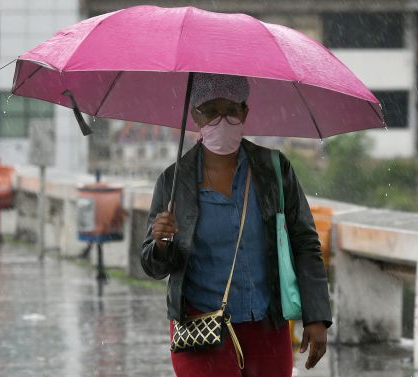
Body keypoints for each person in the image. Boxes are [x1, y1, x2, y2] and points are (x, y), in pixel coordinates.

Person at [141, 74, 331, 377]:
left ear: (245, 112)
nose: (222, 119)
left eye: (231, 110)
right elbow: (154, 266)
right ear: (195, 116)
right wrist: (161, 242)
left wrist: (317, 316)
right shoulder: (173, 181)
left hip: (267, 327)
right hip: (200, 330)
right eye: (211, 111)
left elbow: (304, 242)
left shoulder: (274, 169)